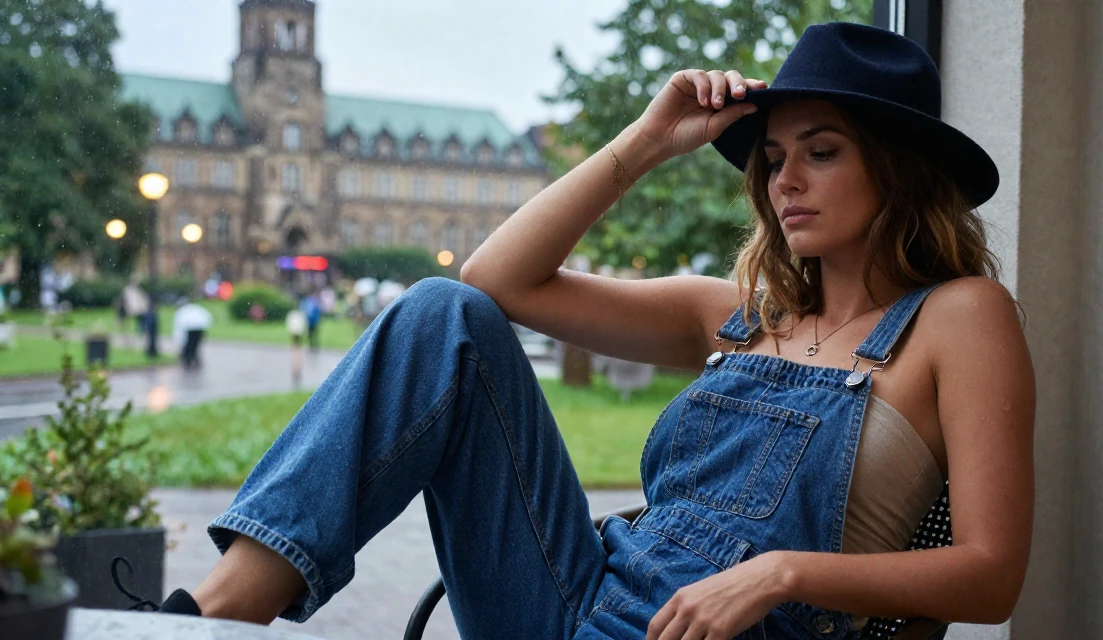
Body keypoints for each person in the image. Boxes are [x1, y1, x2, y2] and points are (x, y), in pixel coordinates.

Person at [124, 24, 1034, 639]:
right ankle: (213, 618)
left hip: (729, 629)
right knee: (442, 313)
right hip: (572, 589)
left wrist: (782, 574)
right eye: (772, 158)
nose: (785, 179)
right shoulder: (737, 312)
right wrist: (645, 141)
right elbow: (491, 285)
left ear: (899, 170)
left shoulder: (960, 317)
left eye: (821, 152)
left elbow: (991, 575)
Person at [172, 298, 214, 370]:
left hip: (190, 329)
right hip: (199, 328)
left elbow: (178, 327)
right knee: (195, 345)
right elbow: (207, 317)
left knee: (188, 345)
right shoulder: (196, 308)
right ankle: (194, 359)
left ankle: (188, 360)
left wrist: (178, 340)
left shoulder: (181, 311)